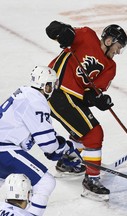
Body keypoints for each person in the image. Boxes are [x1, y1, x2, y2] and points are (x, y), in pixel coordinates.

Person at [45, 20, 127, 200]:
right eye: (118, 46)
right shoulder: (86, 35)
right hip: (56, 90)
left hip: (72, 98)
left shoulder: (110, 67)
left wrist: (99, 99)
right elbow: (52, 29)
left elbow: (90, 95)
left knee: (82, 132)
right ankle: (91, 181)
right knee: (94, 134)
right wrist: (62, 31)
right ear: (109, 41)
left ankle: (68, 162)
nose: (118, 51)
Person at [0, 66, 79, 215]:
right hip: (4, 150)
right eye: (52, 85)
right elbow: (49, 146)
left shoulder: (25, 94)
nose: (53, 89)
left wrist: (61, 149)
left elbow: (45, 138)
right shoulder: (36, 100)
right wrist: (64, 150)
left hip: (4, 149)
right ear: (46, 86)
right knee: (45, 183)